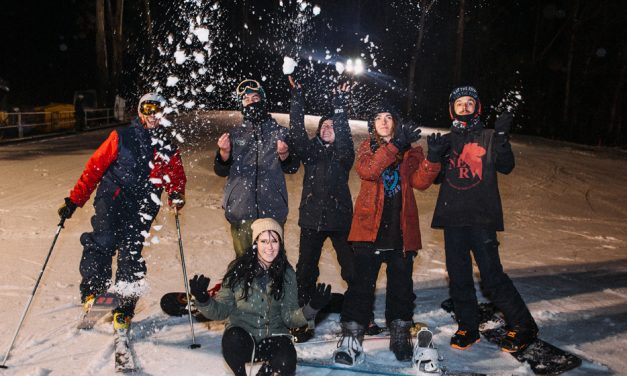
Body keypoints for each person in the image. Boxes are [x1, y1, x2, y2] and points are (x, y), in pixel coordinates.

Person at [57, 92, 187, 331]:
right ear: (139, 112)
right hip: (113, 198)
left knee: (131, 254)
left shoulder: (167, 146)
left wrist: (176, 193)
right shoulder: (121, 137)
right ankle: (93, 294)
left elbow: (176, 175)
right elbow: (93, 169)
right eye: (147, 109)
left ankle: (124, 308)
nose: (152, 115)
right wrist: (74, 200)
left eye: (157, 110)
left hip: (143, 205)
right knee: (103, 241)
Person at [334, 103, 443, 365]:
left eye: (388, 117)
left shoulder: (411, 151)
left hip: (401, 233)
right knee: (360, 288)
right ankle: (351, 340)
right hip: (367, 231)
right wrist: (395, 146)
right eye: (378, 118)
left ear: (395, 122)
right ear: (373, 124)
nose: (383, 122)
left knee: (401, 290)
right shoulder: (367, 148)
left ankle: (400, 335)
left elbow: (420, 182)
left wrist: (434, 159)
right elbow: (369, 171)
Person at [431, 86, 538, 352]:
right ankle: (467, 326)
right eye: (459, 104)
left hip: (482, 218)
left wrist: (501, 136)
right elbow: (435, 178)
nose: (464, 107)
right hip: (453, 218)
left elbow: (506, 165)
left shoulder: (489, 136)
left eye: (470, 103)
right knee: (458, 276)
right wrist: (433, 156)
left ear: (478, 108)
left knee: (491, 277)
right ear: (451, 109)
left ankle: (524, 325)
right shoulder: (446, 140)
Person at [190, 218, 332, 376]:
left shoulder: (287, 274)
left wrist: (312, 307)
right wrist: (203, 299)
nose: (270, 247)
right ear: (255, 243)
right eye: (264, 241)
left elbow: (290, 318)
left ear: (280, 243)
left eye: (274, 241)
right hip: (244, 338)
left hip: (274, 338)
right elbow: (221, 311)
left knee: (286, 361)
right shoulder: (238, 271)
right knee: (232, 338)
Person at [287, 79, 355, 340]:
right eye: (323, 126)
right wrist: (297, 97)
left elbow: (345, 136)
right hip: (311, 220)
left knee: (351, 269)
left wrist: (339, 105)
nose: (328, 128)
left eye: (332, 126)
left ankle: (357, 314)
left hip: (340, 221)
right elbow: (295, 132)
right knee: (305, 271)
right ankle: (304, 318)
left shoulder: (343, 155)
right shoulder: (311, 153)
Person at [214, 79, 300, 257]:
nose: (251, 102)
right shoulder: (234, 134)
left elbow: (292, 168)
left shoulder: (280, 132)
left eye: (255, 97)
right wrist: (224, 153)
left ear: (263, 100)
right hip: (241, 210)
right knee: (244, 265)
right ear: (241, 105)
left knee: (273, 263)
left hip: (272, 210)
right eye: (246, 99)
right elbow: (220, 171)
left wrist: (284, 155)